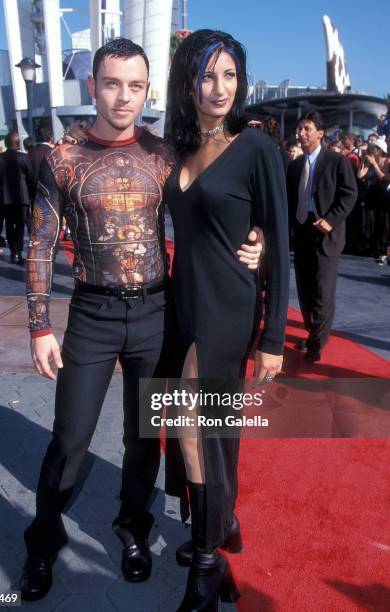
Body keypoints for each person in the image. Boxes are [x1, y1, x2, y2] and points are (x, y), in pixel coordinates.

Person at [19, 38, 263, 602]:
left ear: (147, 90)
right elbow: (38, 244)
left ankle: (134, 528)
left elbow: (224, 205)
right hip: (92, 313)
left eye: (134, 85)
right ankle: (43, 537)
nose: (123, 96)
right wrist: (38, 325)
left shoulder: (165, 154)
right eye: (111, 84)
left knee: (142, 440)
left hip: (157, 313)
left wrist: (262, 239)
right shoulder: (62, 159)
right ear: (93, 88)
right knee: (70, 437)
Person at [163, 30, 289, 610]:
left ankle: (207, 562)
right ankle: (220, 522)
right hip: (181, 303)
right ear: (188, 81)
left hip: (229, 307)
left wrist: (272, 339)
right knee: (207, 434)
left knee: (189, 422)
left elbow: (279, 243)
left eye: (230, 76)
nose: (219, 88)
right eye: (208, 75)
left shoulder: (256, 146)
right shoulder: (177, 147)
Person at [287, 112, 357, 362]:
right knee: (305, 288)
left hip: (327, 233)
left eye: (307, 129)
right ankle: (312, 330)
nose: (301, 133)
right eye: (299, 129)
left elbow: (349, 194)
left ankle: (317, 341)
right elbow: (289, 200)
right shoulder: (295, 166)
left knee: (323, 291)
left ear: (320, 133)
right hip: (303, 231)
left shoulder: (337, 162)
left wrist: (332, 219)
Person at [0, 131, 34, 264]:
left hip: (6, 198)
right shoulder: (24, 157)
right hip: (22, 198)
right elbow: (31, 176)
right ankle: (18, 252)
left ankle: (13, 252)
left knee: (9, 225)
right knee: (20, 225)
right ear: (17, 142)